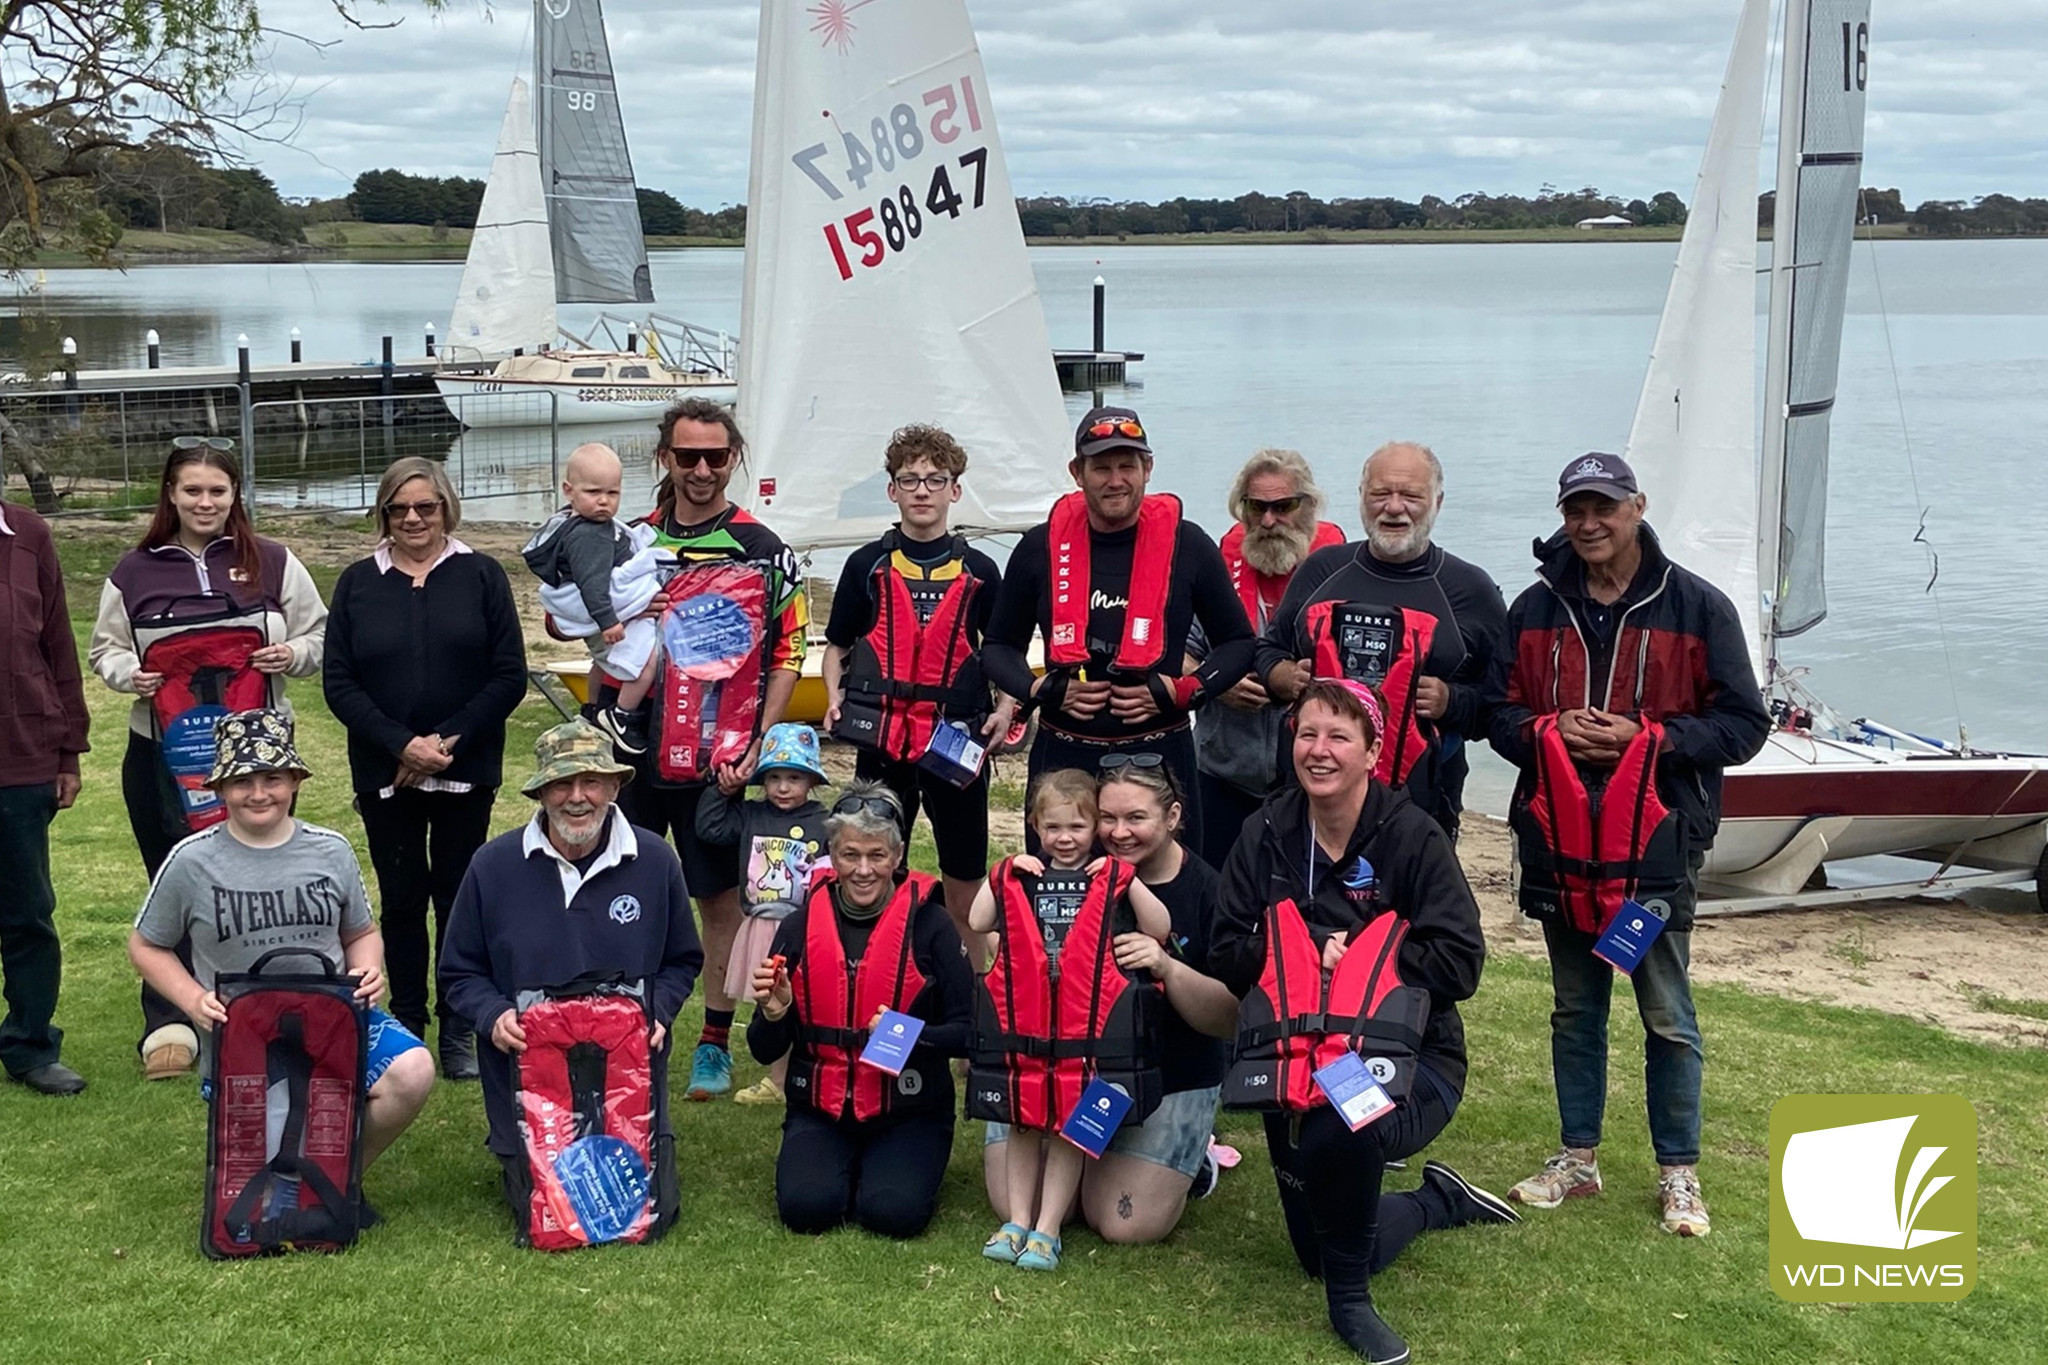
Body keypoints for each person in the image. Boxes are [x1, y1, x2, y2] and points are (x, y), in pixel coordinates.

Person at [1486, 452, 1770, 1240]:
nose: (1588, 523)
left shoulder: (1698, 606)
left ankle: (1679, 1171)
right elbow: (1497, 715)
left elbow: (1744, 725)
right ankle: (1578, 1157)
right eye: (1575, 508)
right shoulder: (1534, 607)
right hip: (1557, 837)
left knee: (1667, 1014)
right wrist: (1550, 729)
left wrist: (1651, 739)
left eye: (1603, 507)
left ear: (1638, 506)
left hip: (1658, 842)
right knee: (1576, 1008)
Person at [1212, 680, 1511, 1365]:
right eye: (1307, 734)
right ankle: (1438, 1200)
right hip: (1289, 1053)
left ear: (1374, 752)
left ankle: (1351, 1309)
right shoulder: (1265, 832)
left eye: (1339, 737)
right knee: (1323, 1248)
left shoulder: (1412, 834)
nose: (1320, 751)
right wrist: (1298, 948)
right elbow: (1224, 945)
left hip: (1409, 1061)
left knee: (1341, 1122)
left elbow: (1462, 961)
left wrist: (1372, 956)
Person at [90, 439, 328, 1081]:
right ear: (170, 494)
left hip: (261, 759)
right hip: (163, 757)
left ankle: (271, 1006)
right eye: (192, 490)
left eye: (217, 491)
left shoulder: (274, 561)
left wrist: (294, 657)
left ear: (234, 496)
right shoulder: (133, 571)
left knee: (259, 877)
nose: (205, 502)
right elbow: (105, 650)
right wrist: (127, 676)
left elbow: (320, 632)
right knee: (174, 878)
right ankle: (168, 1021)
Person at [599, 397, 809, 1103]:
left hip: (717, 752)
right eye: (686, 455)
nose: (700, 469)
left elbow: (790, 648)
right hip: (633, 748)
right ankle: (618, 1022)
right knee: (618, 885)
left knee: (719, 896)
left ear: (732, 459)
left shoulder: (764, 546)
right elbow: (583, 624)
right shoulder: (629, 539)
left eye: (714, 456)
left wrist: (760, 740)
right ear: (664, 457)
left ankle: (714, 1043)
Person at [127, 709, 435, 1178]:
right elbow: (146, 946)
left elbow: (360, 932)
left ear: (294, 781)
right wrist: (193, 1000)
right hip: (244, 1035)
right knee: (266, 1178)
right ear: (219, 788)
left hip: (331, 1017)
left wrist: (370, 968)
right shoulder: (191, 861)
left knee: (411, 1071)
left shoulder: (329, 850)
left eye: (271, 778)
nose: (257, 793)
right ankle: (296, 1172)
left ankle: (337, 1180)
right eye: (241, 781)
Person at [438, 720, 705, 1214]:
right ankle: (520, 1150)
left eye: (591, 782)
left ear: (615, 786)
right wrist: (494, 1016)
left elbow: (682, 960)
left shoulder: (655, 860)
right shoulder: (492, 866)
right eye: (562, 783)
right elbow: (459, 971)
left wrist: (659, 1013)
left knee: (645, 1209)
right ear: (541, 791)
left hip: (629, 1078)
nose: (577, 797)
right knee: (549, 1206)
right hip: (528, 1080)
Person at [323, 457, 528, 1082]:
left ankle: (461, 1026)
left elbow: (508, 675)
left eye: (426, 507)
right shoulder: (358, 583)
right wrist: (401, 746)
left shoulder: (482, 575)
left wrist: (446, 742)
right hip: (387, 771)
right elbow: (340, 682)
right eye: (399, 508)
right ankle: (408, 1024)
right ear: (383, 513)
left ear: (446, 509)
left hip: (464, 768)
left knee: (459, 896)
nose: (413, 518)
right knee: (403, 898)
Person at [984, 758, 1240, 1245]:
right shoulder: (1061, 869)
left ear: (1172, 817)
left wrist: (1166, 966)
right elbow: (985, 933)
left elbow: (1229, 1018)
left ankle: (1196, 1159)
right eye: (1107, 818)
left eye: (1137, 818)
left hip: (1170, 1072)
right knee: (1022, 1204)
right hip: (1061, 1067)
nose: (1119, 833)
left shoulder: (1209, 891)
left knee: (1124, 1223)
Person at [983, 405, 1254, 854]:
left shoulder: (1189, 546)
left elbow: (1238, 643)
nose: (1115, 480)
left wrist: (1187, 690)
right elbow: (997, 647)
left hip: (1160, 752)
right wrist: (1040, 690)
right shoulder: (1038, 548)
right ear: (1077, 472)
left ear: (1147, 469)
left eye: (1127, 465)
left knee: (1171, 903)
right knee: (1059, 899)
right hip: (1065, 754)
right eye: (1101, 467)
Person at [746, 782, 974, 1239]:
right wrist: (776, 1013)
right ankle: (837, 1165)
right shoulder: (799, 925)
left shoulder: (931, 925)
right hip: (820, 1106)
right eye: (850, 855)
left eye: (877, 856)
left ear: (898, 855)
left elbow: (971, 1030)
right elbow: (760, 1046)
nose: (864, 870)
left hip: (909, 1106)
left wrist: (908, 1035)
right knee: (806, 1210)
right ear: (832, 855)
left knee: (893, 1215)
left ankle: (889, 1168)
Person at [822, 423, 1014, 960]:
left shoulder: (980, 570)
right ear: (893, 491)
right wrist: (835, 698)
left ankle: (981, 999)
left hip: (954, 741)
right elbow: (836, 647)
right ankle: (877, 980)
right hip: (882, 742)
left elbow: (1002, 654)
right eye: (910, 480)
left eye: (936, 480)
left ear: (955, 490)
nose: (923, 490)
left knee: (966, 885)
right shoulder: (867, 565)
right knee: (872, 871)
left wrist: (1004, 709)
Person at [970, 769, 1171, 1272]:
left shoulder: (1112, 878)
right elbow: (976, 921)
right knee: (1020, 1124)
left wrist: (1126, 882)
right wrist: (1004, 873)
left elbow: (1160, 927)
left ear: (1095, 830)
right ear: (1035, 826)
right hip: (1029, 1027)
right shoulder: (1023, 876)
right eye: (1053, 827)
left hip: (1085, 1032)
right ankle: (1017, 1220)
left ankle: (1048, 1228)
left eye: (1078, 828)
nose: (1064, 838)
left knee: (1069, 1131)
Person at [1256, 441, 1506, 842]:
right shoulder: (1322, 570)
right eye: (1380, 494)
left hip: (1421, 800)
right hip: (1311, 789)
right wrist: (1282, 676)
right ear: (1361, 498)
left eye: (1410, 496)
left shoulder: (1469, 590)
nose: (1393, 507)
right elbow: (1268, 649)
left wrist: (1450, 700)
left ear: (1437, 502)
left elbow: (1500, 704)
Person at [1187, 448, 1344, 869]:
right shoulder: (1215, 570)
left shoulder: (1342, 575)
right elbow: (1177, 656)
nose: (1270, 521)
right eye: (1257, 508)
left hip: (1311, 781)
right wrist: (1216, 683)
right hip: (1223, 773)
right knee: (1220, 899)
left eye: (1283, 507)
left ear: (1308, 507)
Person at [0, 499, 91, 1095]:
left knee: (27, 913)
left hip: (20, 755)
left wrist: (67, 750)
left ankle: (31, 1045)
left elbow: (58, 647)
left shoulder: (28, 534)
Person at [695, 721, 833, 1105]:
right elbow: (710, 829)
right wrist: (723, 792)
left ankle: (789, 1075)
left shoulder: (823, 823)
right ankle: (780, 1075)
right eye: (773, 778)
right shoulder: (752, 814)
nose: (783, 787)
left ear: (812, 782)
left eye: (794, 777)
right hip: (759, 922)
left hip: (803, 926)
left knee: (802, 999)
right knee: (767, 1001)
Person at [522, 443, 664, 755]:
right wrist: (609, 620)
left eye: (612, 494)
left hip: (601, 620)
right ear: (568, 490)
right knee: (648, 660)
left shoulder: (571, 523)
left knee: (602, 660)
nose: (603, 502)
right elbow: (592, 584)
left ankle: (591, 707)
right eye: (593, 492)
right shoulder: (591, 535)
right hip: (608, 618)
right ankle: (622, 714)